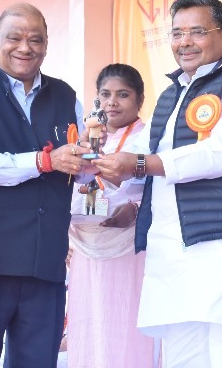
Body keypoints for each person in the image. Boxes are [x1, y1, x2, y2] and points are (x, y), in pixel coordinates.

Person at [94, 0, 222, 368]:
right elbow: (147, 163)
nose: (185, 42)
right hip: (173, 253)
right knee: (183, 358)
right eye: (177, 33)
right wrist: (99, 166)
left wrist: (139, 164)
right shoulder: (171, 95)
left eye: (197, 32)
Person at [0, 2, 91, 367]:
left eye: (35, 39)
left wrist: (95, 165)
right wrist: (44, 161)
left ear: (47, 45)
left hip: (45, 262)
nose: (25, 47)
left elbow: (79, 167)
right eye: (14, 38)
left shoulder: (65, 96)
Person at [67, 63, 155, 368]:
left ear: (140, 99)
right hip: (88, 243)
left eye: (123, 95)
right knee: (91, 320)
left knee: (126, 319)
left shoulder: (149, 137)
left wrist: (134, 210)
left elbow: (158, 189)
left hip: (131, 247)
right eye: (105, 95)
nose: (112, 102)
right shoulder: (88, 139)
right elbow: (77, 188)